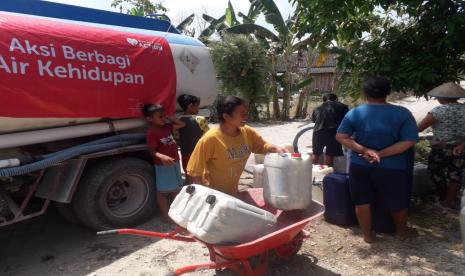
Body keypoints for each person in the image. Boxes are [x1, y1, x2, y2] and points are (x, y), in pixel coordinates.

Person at [336, 76, 419, 243]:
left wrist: (365, 150)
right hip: (393, 166)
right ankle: (401, 232)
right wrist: (380, 154)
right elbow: (409, 141)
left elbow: (341, 136)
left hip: (361, 164)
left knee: (362, 201)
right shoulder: (402, 113)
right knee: (397, 200)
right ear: (387, 93)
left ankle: (367, 236)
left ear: (365, 93)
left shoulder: (356, 112)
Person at [186, 95, 288, 195]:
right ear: (226, 116)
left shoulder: (247, 132)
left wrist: (275, 148)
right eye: (242, 113)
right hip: (214, 197)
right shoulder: (210, 139)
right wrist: (202, 197)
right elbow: (194, 172)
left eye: (246, 113)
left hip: (233, 193)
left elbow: (262, 146)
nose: (246, 116)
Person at [417, 82, 465, 210]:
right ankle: (449, 202)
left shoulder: (438, 111)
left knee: (436, 173)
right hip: (461, 148)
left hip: (441, 148)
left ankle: (443, 200)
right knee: (455, 176)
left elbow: (419, 128)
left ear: (442, 98)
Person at [143, 103, 186, 222]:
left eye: (164, 116)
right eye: (160, 116)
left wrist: (171, 118)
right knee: (162, 192)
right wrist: (162, 157)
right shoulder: (152, 132)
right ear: (149, 119)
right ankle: (166, 216)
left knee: (176, 189)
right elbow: (152, 151)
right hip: (163, 165)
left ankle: (176, 212)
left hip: (175, 162)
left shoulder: (167, 127)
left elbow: (182, 124)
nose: (163, 118)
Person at [176, 94, 210, 178]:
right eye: (197, 106)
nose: (198, 109)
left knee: (188, 174)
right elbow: (208, 136)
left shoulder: (178, 119)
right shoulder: (200, 119)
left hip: (185, 153)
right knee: (200, 176)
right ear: (190, 106)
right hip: (199, 153)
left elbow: (176, 137)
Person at [311, 93, 349, 166]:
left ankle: (312, 172)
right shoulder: (342, 106)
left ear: (324, 100)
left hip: (317, 132)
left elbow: (314, 120)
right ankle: (326, 174)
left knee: (316, 154)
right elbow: (347, 120)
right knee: (330, 155)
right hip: (333, 132)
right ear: (336, 100)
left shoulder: (317, 108)